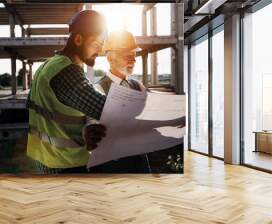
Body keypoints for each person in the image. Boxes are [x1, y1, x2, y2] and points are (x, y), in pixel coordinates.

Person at [90, 30, 184, 173]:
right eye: (127, 55)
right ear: (110, 57)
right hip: (112, 163)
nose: (133, 60)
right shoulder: (98, 89)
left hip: (139, 159)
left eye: (134, 55)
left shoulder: (138, 86)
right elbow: (96, 133)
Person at [26, 10, 108, 174]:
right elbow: (103, 108)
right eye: (97, 44)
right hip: (65, 163)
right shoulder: (65, 71)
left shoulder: (47, 66)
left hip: (44, 158)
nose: (99, 51)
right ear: (78, 39)